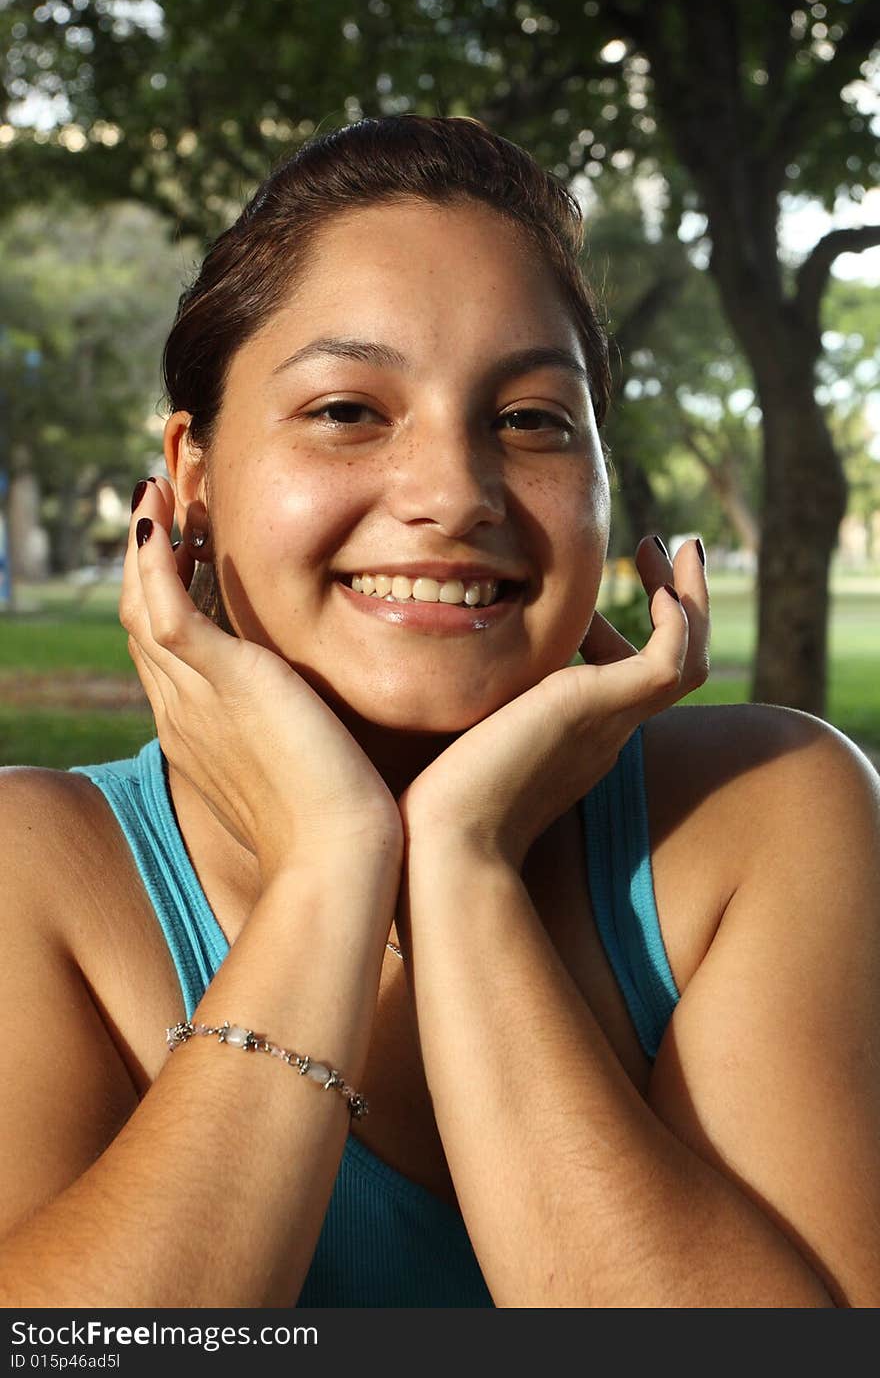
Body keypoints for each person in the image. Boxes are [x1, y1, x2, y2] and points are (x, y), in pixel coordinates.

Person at [1, 114, 878, 1310]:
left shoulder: (758, 816)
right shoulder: (36, 874)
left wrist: (462, 868)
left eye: (528, 420)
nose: (453, 494)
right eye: (348, 411)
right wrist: (332, 863)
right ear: (190, 479)